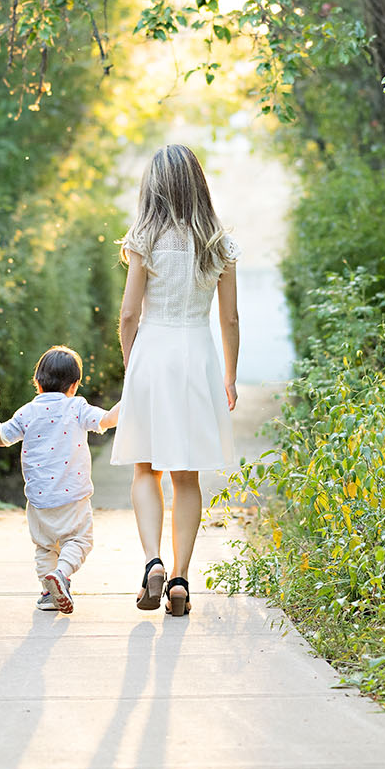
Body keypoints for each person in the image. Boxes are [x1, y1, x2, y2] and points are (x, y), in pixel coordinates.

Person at [110, 143, 240, 618]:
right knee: (187, 477)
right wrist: (229, 375)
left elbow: (128, 314)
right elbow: (229, 320)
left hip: (154, 353)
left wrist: (131, 367)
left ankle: (153, 564)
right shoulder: (219, 243)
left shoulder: (143, 238)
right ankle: (182, 580)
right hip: (197, 355)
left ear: (153, 188)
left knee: (146, 468)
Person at [0, 346, 120, 615]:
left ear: (37, 381)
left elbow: (0, 437)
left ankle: (48, 593)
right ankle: (61, 574)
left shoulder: (27, 412)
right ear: (74, 385)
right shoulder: (77, 406)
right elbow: (107, 419)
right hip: (73, 496)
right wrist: (130, 399)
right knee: (79, 541)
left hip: (39, 499)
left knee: (45, 546)